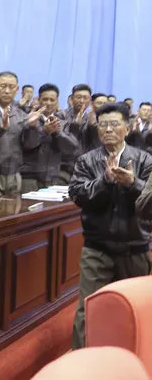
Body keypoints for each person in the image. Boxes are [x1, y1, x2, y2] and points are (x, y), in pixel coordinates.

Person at [68, 102, 152, 349]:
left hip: (134, 247)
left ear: (127, 128)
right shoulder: (87, 161)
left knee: (133, 309)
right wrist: (104, 181)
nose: (107, 130)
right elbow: (78, 195)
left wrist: (132, 184)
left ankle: (130, 361)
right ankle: (82, 361)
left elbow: (149, 203)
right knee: (88, 309)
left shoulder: (145, 160)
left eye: (114, 124)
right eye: (103, 125)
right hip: (97, 248)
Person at [0, 71, 41, 196]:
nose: (7, 91)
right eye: (3, 86)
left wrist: (32, 128)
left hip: (14, 175)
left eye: (11, 87)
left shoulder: (22, 114)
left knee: (13, 214)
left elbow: (29, 146)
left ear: (17, 90)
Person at [20, 83, 79, 192]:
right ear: (38, 100)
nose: (48, 103)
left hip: (54, 177)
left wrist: (56, 133)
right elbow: (28, 145)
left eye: (52, 100)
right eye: (45, 99)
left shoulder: (63, 122)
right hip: (29, 178)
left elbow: (71, 149)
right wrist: (42, 131)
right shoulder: (28, 119)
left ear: (57, 101)